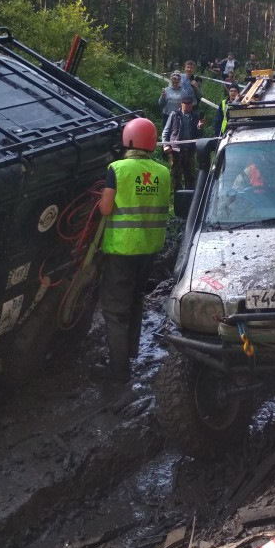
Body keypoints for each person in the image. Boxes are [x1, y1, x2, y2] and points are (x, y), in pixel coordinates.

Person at [97, 118, 171, 396]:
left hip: (122, 250)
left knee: (114, 310)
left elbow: (105, 209)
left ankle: (118, 370)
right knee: (135, 299)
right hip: (149, 250)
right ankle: (129, 353)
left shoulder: (117, 169)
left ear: (127, 139)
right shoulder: (162, 172)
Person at [162, 92, 204, 190]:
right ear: (181, 103)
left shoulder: (196, 116)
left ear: (192, 104)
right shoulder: (174, 115)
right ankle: (177, 197)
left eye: (190, 103)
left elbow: (199, 135)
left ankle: (189, 199)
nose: (188, 105)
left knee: (190, 176)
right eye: (186, 103)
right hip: (176, 150)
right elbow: (166, 131)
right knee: (176, 176)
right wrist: (165, 145)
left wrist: (199, 127)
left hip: (190, 150)